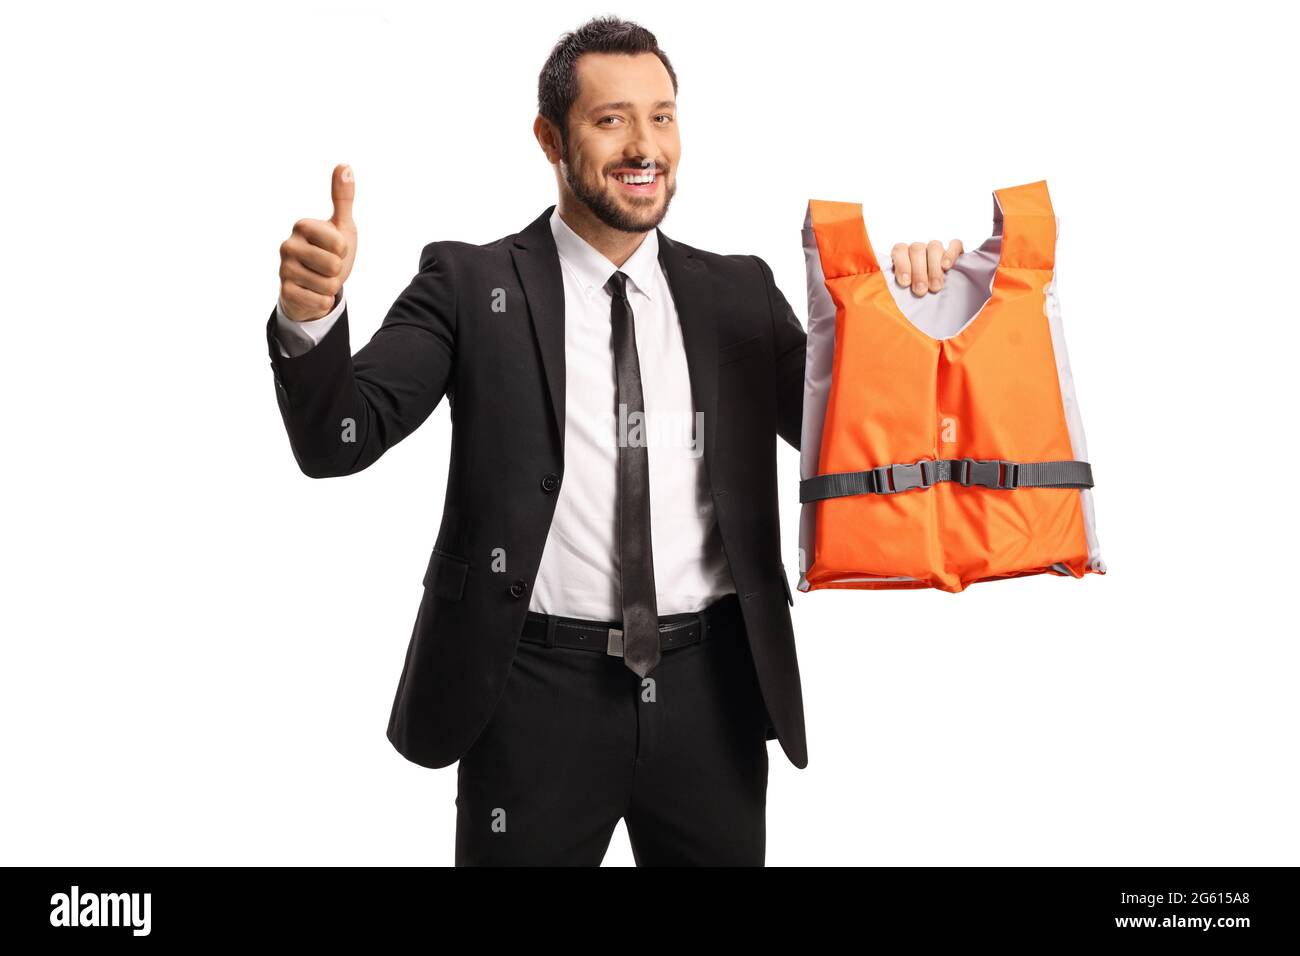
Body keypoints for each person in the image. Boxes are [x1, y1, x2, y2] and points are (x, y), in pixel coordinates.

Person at [267, 15, 960, 866]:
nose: (645, 146)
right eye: (612, 119)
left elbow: (857, 438)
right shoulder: (470, 283)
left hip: (715, 695)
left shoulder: (740, 294)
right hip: (531, 697)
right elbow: (339, 440)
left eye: (663, 117)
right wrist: (311, 317)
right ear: (549, 137)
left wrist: (923, 310)